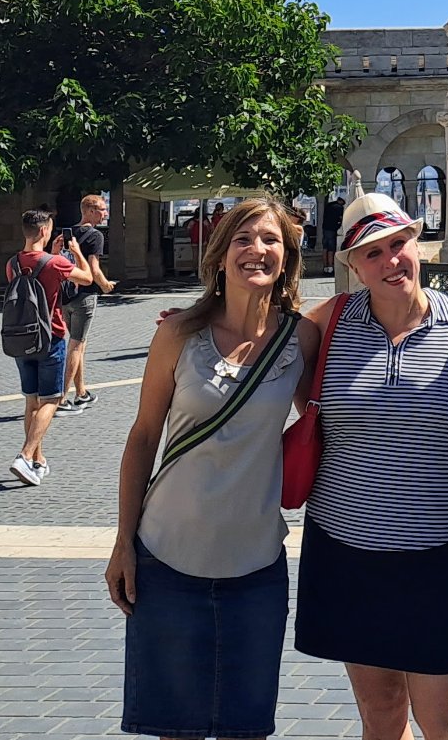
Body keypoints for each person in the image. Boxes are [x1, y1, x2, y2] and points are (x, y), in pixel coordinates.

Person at [108, 198, 313, 740]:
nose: (257, 250)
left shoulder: (302, 340)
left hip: (255, 568)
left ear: (288, 257)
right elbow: (143, 437)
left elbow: (331, 419)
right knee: (176, 731)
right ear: (220, 256)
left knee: (246, 730)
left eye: (271, 240)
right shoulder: (178, 334)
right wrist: (123, 543)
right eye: (243, 239)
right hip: (167, 561)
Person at [296, 191, 448, 740]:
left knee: (442, 720)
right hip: (346, 546)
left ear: (418, 245)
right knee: (380, 714)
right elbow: (254, 337)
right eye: (371, 253)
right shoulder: (330, 322)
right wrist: (193, 317)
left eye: (399, 244)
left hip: (437, 551)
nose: (390, 261)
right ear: (352, 265)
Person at [6, 209, 94, 486]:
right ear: (45, 231)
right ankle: (24, 454)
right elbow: (87, 279)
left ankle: (36, 461)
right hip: (51, 337)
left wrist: (52, 253)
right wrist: (76, 251)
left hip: (21, 338)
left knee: (31, 401)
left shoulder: (12, 264)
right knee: (52, 400)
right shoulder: (55, 263)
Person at [57, 193, 118, 414]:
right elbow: (94, 269)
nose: (105, 213)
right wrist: (105, 285)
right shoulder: (95, 236)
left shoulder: (67, 234)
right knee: (76, 345)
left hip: (66, 295)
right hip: (84, 296)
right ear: (90, 211)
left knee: (77, 343)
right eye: (102, 209)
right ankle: (62, 398)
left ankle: (81, 392)